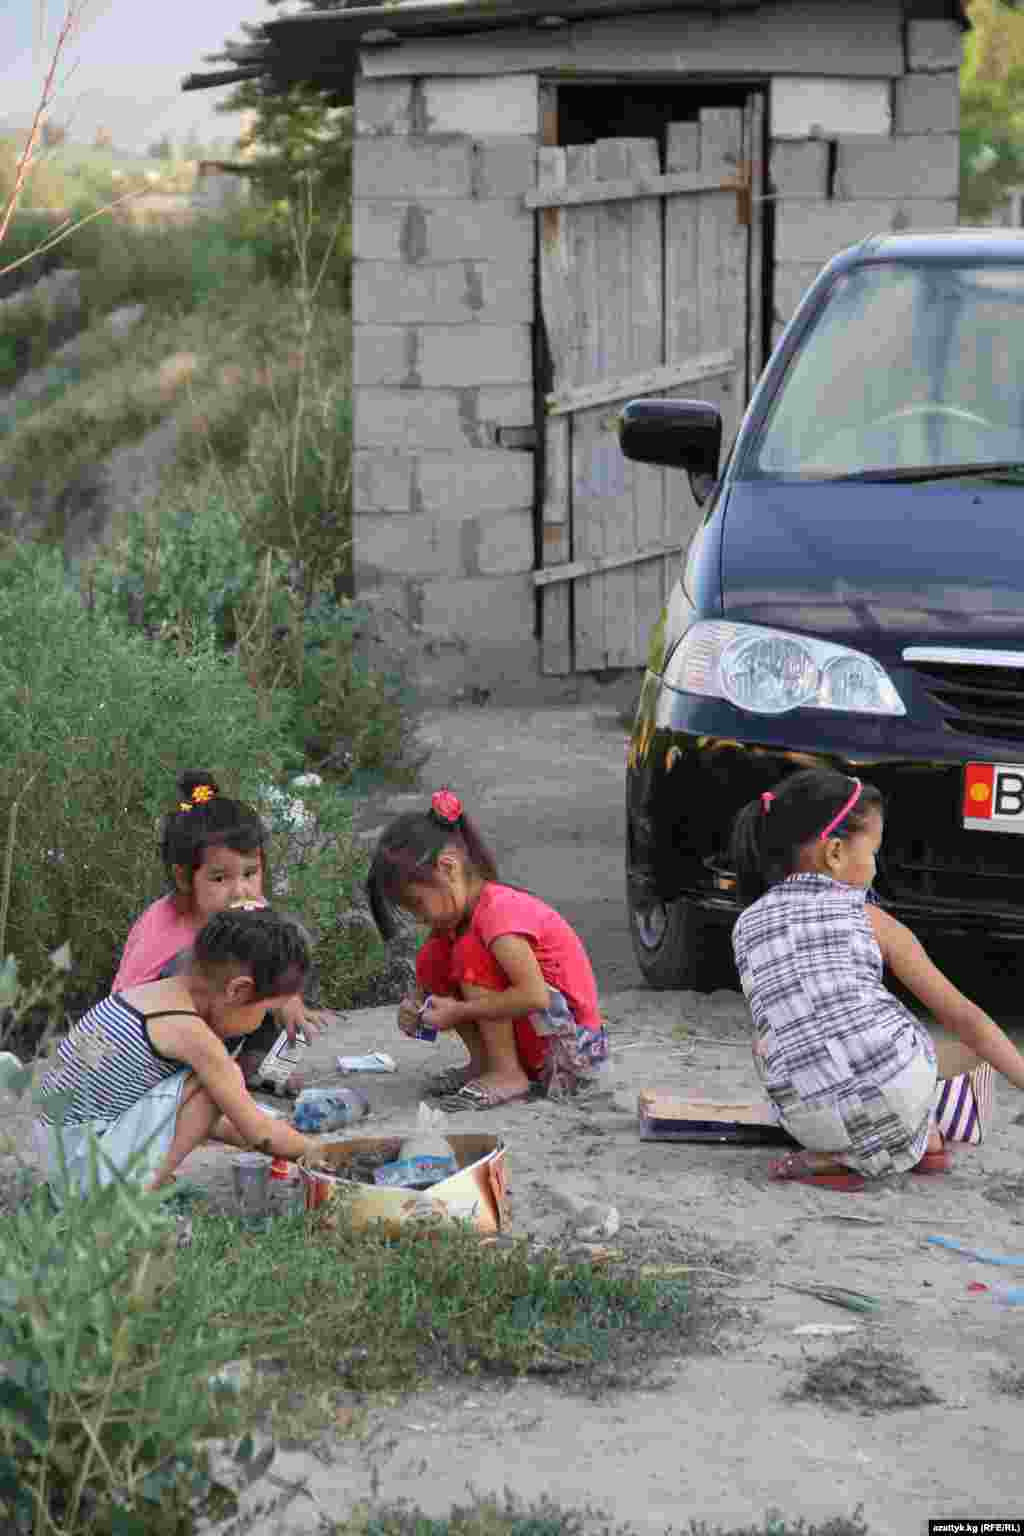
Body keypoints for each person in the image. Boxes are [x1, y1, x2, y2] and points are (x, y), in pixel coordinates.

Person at [729, 767, 1024, 1188]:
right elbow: (966, 1019)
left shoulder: (746, 925)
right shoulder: (868, 918)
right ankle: (928, 1136)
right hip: (896, 1093)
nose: (875, 867)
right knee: (976, 1046)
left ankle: (835, 1154)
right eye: (873, 852)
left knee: (778, 1041)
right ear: (835, 853)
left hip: (804, 1121)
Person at [34, 907, 317, 1199]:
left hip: (63, 1156)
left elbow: (202, 1119)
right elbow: (259, 1133)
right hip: (84, 1178)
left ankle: (127, 1182)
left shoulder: (149, 997)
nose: (261, 1023)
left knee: (211, 1086)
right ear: (238, 991)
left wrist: (261, 1130)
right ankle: (123, 1200)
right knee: (216, 1083)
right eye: (266, 1011)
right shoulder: (189, 1033)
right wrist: (320, 1153)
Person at [366, 789, 608, 1110]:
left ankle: (507, 1074)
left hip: (572, 1054)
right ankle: (486, 1065)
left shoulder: (498, 913)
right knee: (432, 957)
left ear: (448, 868)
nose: (418, 917)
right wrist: (414, 1010)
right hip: (538, 1043)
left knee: (469, 952)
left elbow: (535, 996)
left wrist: (459, 1011)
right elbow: (429, 987)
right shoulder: (458, 925)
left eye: (417, 904)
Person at [113, 772, 320, 1094]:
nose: (241, 890)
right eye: (220, 878)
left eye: (250, 873)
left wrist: (287, 997)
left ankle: (260, 1062)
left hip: (225, 1029)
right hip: (167, 1052)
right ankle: (192, 1083)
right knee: (194, 965)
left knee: (289, 945)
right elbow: (125, 1006)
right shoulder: (163, 927)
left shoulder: (250, 911)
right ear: (184, 878)